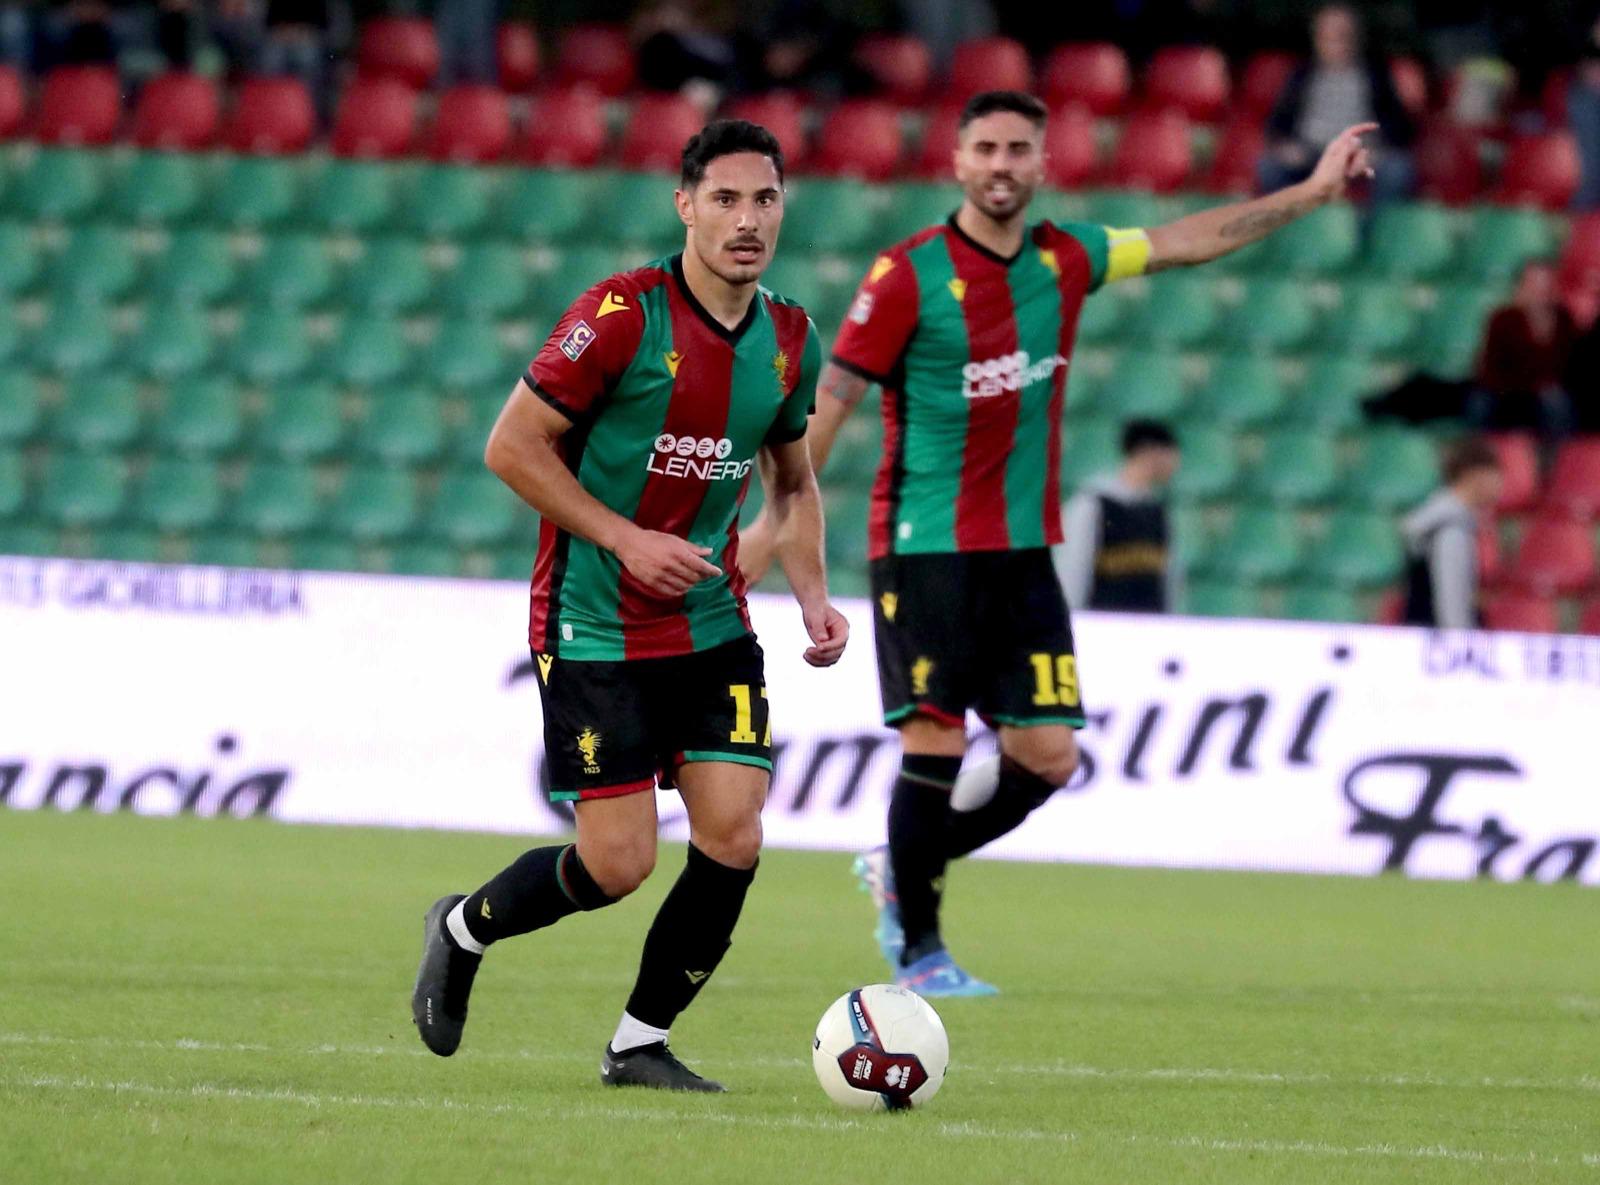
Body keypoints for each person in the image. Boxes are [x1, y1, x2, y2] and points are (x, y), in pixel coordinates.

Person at [739, 89, 1377, 996]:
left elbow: (1187, 239)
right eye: (986, 149)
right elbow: (828, 406)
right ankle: (920, 950)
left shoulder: (1068, 258)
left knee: (1049, 757)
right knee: (935, 746)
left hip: (1022, 552)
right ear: (958, 162)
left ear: (1042, 163)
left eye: (1018, 149)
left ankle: (899, 864)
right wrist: (774, 525)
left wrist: (1311, 193)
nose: (1001, 165)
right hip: (924, 547)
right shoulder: (907, 275)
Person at [411, 120, 849, 1092]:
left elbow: (792, 482)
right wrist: (625, 538)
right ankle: (463, 928)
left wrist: (814, 596)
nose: (747, 220)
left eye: (765, 199)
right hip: (594, 619)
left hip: (710, 621)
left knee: (735, 833)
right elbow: (510, 447)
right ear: (684, 205)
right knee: (616, 864)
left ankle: (638, 1042)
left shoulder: (790, 339)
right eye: (725, 199)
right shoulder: (620, 315)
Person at [1258, 4, 1416, 207]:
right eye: (1329, 37)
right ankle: (1289, 223)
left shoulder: (1376, 74)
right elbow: (1277, 123)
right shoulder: (1302, 75)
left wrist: (1379, 149)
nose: (1337, 44)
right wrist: (1286, 147)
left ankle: (1371, 224)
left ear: (1357, 38)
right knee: (1269, 167)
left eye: (1344, 36)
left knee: (1398, 169)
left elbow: (1401, 127)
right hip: (1311, 154)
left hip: (1361, 153)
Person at [1054, 419, 1182, 614]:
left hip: (1150, 625)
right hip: (1102, 623)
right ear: (1148, 451)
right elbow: (1073, 569)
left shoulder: (1158, 512)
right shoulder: (1093, 505)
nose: (1175, 461)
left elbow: (1167, 581)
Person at [1469, 258, 1577, 453]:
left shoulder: (1563, 319)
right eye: (1533, 284)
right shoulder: (1502, 319)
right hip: (1508, 389)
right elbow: (1492, 366)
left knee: (1556, 401)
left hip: (1547, 391)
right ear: (1521, 286)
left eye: (1545, 284)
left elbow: (1568, 365)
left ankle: (1555, 459)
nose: (1539, 291)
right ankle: (1484, 455)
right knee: (1479, 401)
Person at [1401, 437, 1502, 629]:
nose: (1500, 483)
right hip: (1439, 639)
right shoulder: (1451, 530)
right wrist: (1461, 641)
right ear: (1474, 475)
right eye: (1496, 473)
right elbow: (1451, 604)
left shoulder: (1443, 521)